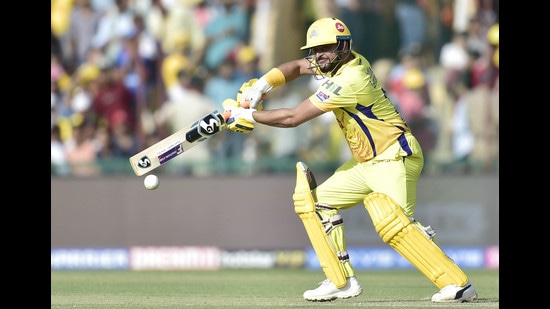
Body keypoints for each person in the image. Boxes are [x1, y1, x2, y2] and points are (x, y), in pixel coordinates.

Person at [222, 17, 478, 303]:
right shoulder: (339, 61)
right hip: (366, 162)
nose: (319, 55)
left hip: (394, 155)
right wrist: (262, 87)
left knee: (394, 224)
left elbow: (294, 117)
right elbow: (295, 66)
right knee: (317, 202)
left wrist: (248, 116)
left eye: (327, 48)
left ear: (344, 47)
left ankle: (457, 284)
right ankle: (340, 280)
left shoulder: (350, 79)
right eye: (316, 49)